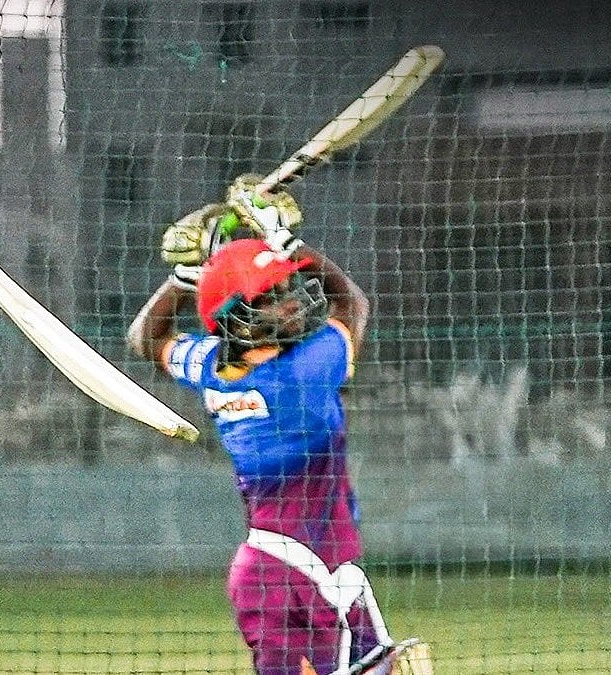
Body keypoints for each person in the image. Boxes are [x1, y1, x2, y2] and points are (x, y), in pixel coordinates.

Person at [126, 176, 430, 675]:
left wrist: (188, 276)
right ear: (238, 322)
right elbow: (353, 303)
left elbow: (145, 336)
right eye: (274, 298)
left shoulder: (211, 365)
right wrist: (288, 244)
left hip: (323, 563)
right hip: (283, 577)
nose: (293, 302)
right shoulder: (303, 372)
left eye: (288, 288)